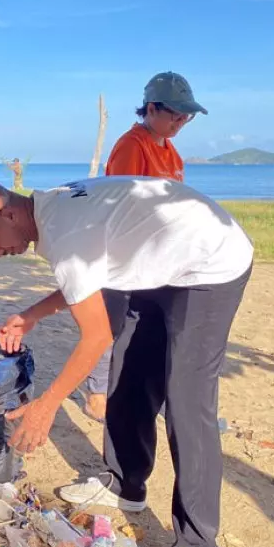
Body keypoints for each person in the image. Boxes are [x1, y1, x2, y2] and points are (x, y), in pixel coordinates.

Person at [0, 179, 253, 547]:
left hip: (209, 262)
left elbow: (95, 337)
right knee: (128, 369)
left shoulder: (65, 233)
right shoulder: (49, 210)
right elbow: (86, 280)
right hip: (156, 264)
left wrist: (47, 405)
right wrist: (30, 315)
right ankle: (126, 483)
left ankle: (198, 545)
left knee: (186, 398)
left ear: (7, 212)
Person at [82, 71, 208, 421]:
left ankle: (151, 392)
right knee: (111, 323)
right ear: (151, 109)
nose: (181, 122)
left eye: (187, 116)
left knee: (153, 327)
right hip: (126, 252)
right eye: (175, 114)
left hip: (161, 256)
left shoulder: (172, 152)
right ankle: (96, 392)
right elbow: (121, 201)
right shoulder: (132, 145)